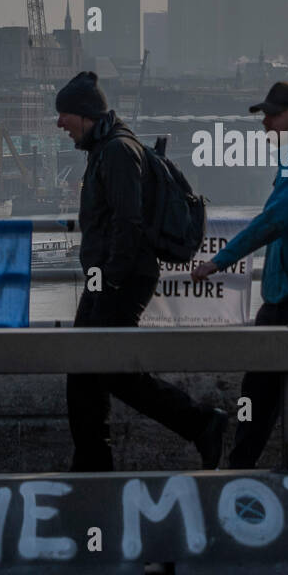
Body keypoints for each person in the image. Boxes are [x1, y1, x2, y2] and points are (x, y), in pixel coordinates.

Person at [55, 71, 229, 472]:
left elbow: (127, 222)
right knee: (85, 371)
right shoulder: (106, 147)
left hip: (122, 278)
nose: (59, 123)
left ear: (84, 113)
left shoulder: (117, 151)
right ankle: (93, 464)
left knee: (110, 368)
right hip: (113, 277)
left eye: (64, 114)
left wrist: (111, 279)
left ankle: (200, 422)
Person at [190, 82, 288, 468]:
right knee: (263, 392)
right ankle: (240, 465)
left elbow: (273, 221)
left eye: (274, 115)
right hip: (286, 295)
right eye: (264, 115)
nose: (266, 122)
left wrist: (220, 259)